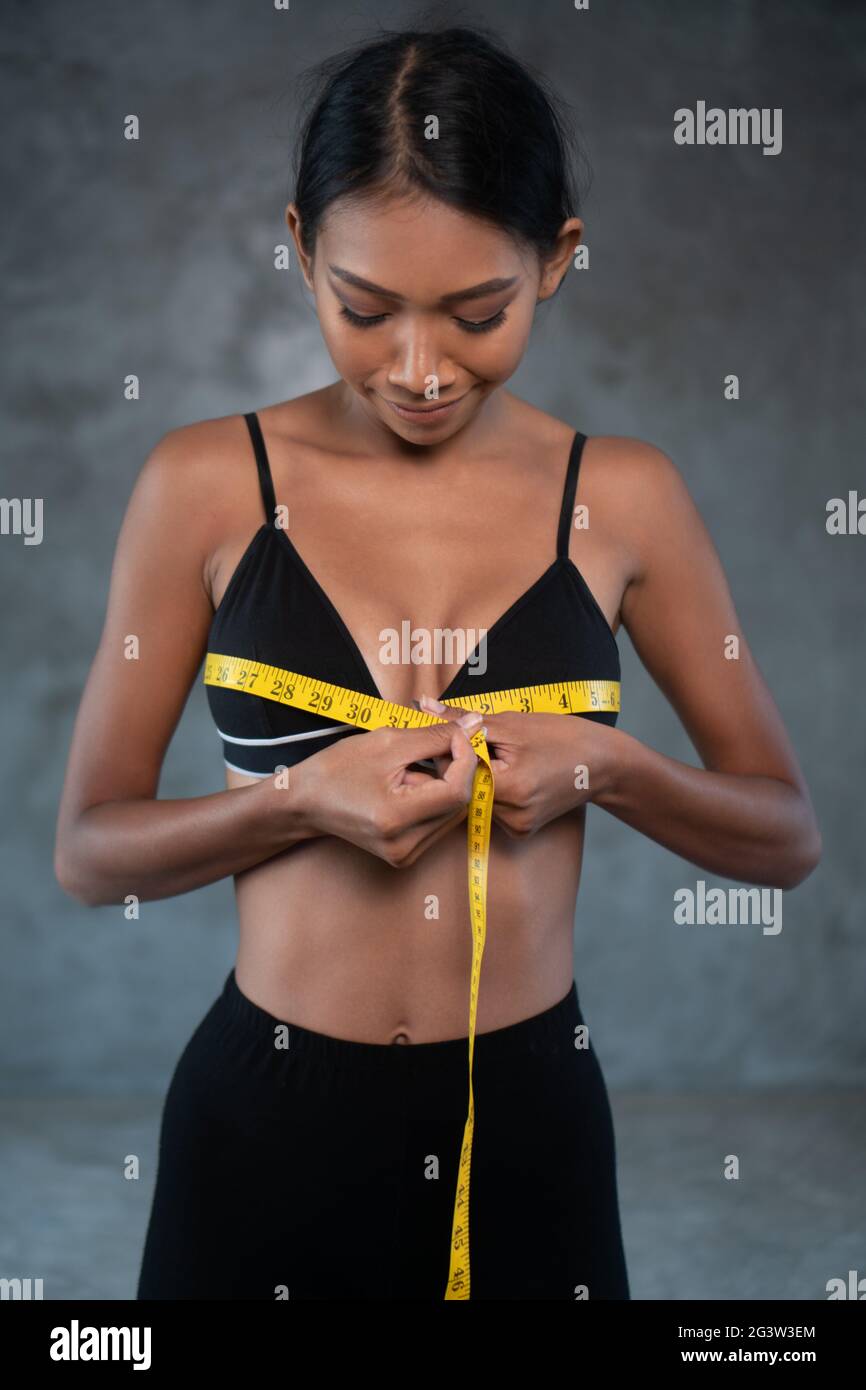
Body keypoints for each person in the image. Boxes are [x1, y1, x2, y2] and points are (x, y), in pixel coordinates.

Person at [54, 23, 821, 1301]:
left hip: (528, 1114)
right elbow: (91, 852)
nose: (416, 370)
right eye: (362, 308)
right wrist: (297, 798)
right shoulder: (203, 484)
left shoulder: (621, 496)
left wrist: (611, 770)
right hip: (263, 1118)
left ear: (557, 258)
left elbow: (782, 836)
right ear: (299, 250)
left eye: (477, 313)